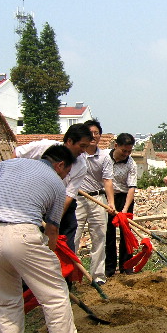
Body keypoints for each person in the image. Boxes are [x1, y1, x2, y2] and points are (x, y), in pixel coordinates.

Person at [0, 144, 102, 333]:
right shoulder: (56, 185)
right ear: (60, 165)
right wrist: (51, 251)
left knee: (6, 299)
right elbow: (52, 228)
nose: (65, 177)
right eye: (66, 172)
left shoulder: (10, 164)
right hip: (23, 234)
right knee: (55, 295)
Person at [13, 124, 92, 252]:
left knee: (65, 243)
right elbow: (16, 154)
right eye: (82, 146)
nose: (84, 150)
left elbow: (68, 196)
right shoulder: (44, 146)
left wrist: (54, 221)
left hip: (61, 204)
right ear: (69, 141)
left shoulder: (81, 165)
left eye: (86, 147)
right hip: (34, 201)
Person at [73, 120, 115, 285]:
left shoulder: (104, 157)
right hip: (77, 199)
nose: (93, 136)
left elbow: (107, 181)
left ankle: (98, 276)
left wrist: (111, 203)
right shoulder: (77, 154)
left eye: (96, 133)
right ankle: (70, 276)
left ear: (100, 136)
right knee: (74, 237)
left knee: (99, 238)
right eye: (90, 133)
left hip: (97, 199)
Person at [106, 133, 138, 276]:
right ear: (116, 146)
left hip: (125, 198)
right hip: (108, 198)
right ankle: (109, 268)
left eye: (129, 151)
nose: (126, 154)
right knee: (109, 233)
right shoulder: (105, 158)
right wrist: (110, 203)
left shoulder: (131, 164)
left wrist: (125, 210)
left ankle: (126, 266)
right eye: (124, 151)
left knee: (126, 232)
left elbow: (131, 188)